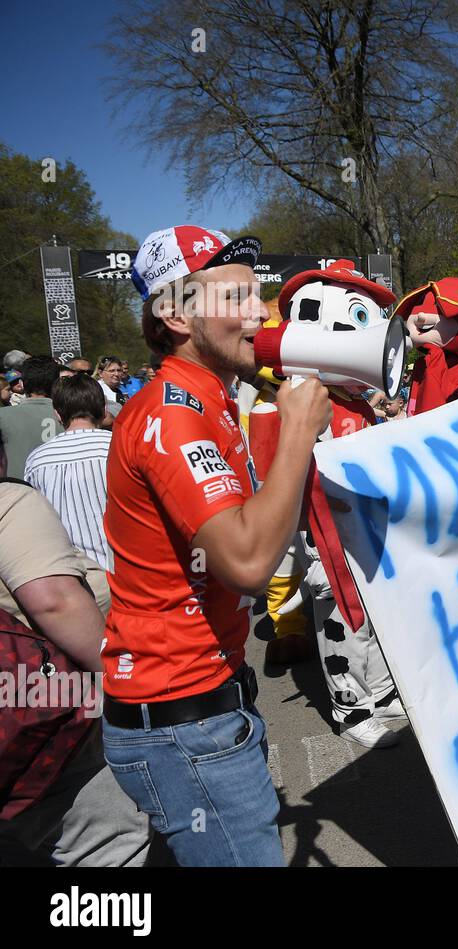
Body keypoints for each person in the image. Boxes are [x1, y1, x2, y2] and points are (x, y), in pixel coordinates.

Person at [101, 224, 332, 866]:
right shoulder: (174, 415)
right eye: (234, 298)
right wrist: (297, 434)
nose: (258, 311)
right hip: (184, 721)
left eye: (256, 295)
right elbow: (251, 564)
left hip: (202, 705)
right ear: (174, 315)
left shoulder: (207, 400)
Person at [0, 479, 151, 866]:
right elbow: (54, 601)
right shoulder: (8, 501)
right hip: (46, 724)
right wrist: (131, 686)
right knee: (108, 845)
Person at [23, 372, 113, 571]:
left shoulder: (37, 459)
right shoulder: (119, 448)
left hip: (67, 573)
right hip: (120, 570)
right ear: (104, 409)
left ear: (57, 413)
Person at [0, 355, 64, 479]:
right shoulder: (71, 416)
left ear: (21, 384)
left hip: (18, 493)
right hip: (61, 493)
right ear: (57, 383)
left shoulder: (3, 416)